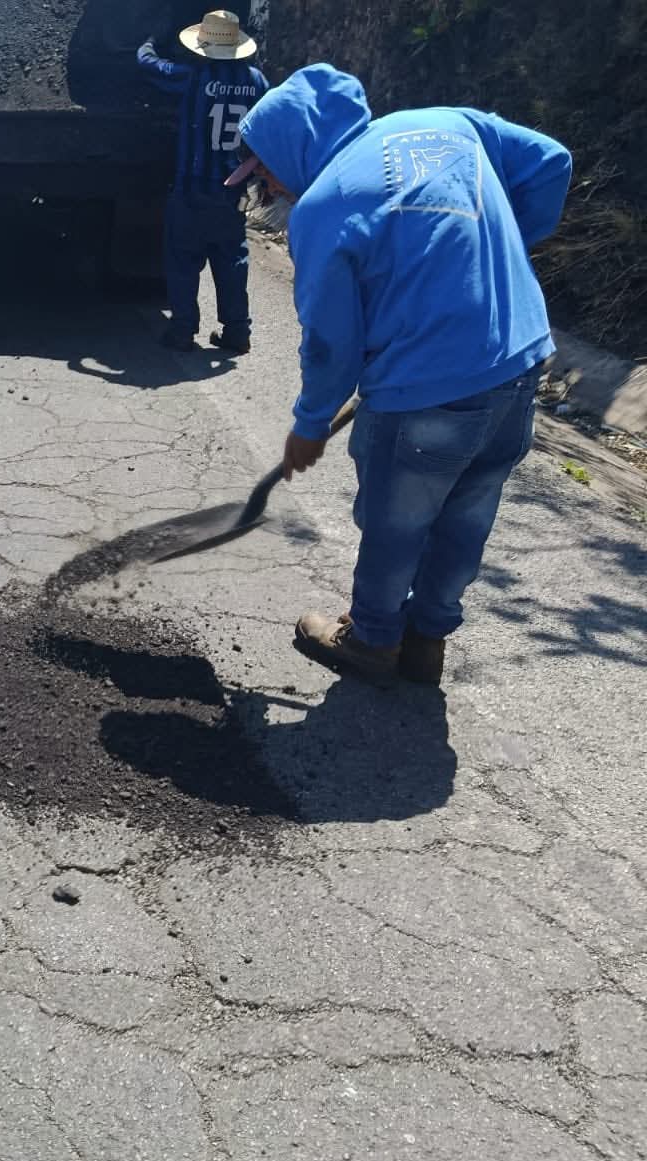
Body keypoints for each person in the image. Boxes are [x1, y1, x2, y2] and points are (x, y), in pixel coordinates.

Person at [226, 64, 572, 685]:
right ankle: (427, 641)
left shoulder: (325, 206)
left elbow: (333, 345)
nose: (273, 189)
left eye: (266, 173)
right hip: (519, 366)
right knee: (468, 512)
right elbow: (551, 162)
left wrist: (309, 425)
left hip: (424, 394)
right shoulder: (446, 123)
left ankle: (373, 639)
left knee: (397, 520)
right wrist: (502, 250)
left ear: (288, 145)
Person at [137, 10, 268, 354]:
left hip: (193, 186)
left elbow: (149, 66)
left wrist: (151, 42)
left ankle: (182, 331)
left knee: (182, 258)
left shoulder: (192, 77)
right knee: (231, 259)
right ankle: (237, 332)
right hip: (234, 189)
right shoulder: (256, 81)